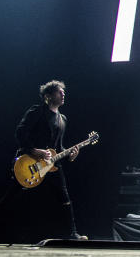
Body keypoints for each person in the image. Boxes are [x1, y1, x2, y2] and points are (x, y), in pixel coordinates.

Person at [11, 79, 85, 240]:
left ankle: (72, 234)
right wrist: (34, 150)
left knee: (64, 197)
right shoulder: (37, 111)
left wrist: (70, 155)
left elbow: (58, 148)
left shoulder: (62, 119)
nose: (63, 94)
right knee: (13, 195)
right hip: (29, 160)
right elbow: (20, 133)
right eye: (59, 92)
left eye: (63, 92)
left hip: (51, 165)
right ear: (48, 96)